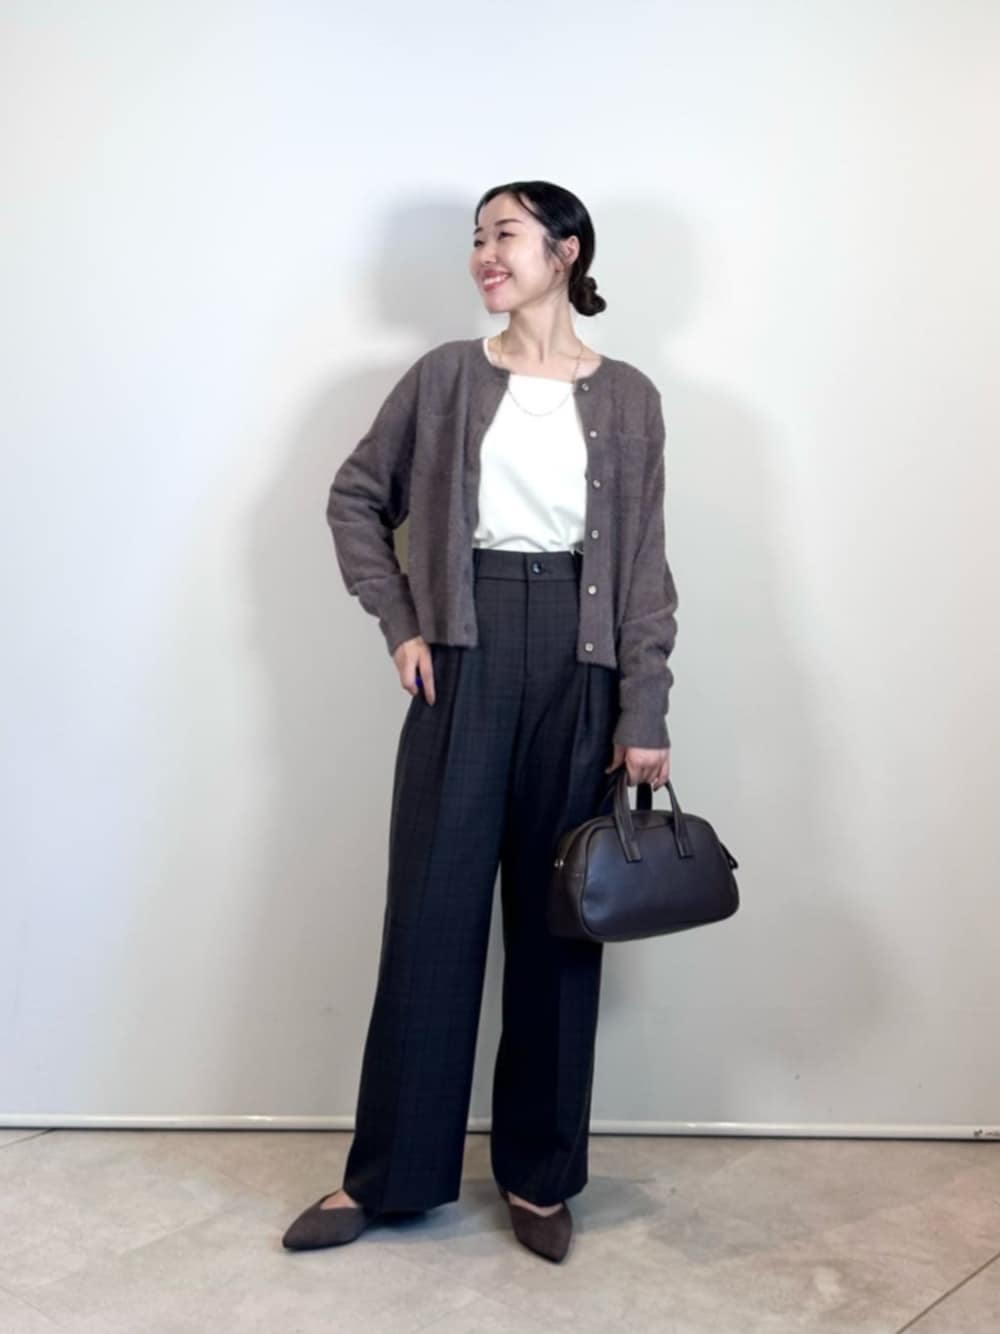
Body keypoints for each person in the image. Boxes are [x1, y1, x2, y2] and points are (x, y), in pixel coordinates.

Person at [282, 181, 678, 1263]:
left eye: (503, 234)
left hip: (583, 668)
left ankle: (539, 1178)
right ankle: (389, 1176)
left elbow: (644, 567)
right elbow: (357, 498)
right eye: (475, 239)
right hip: (463, 655)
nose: (483, 255)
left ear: (566, 249)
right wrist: (401, 621)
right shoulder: (446, 377)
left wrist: (643, 705)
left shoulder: (631, 397)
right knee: (430, 919)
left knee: (559, 927)